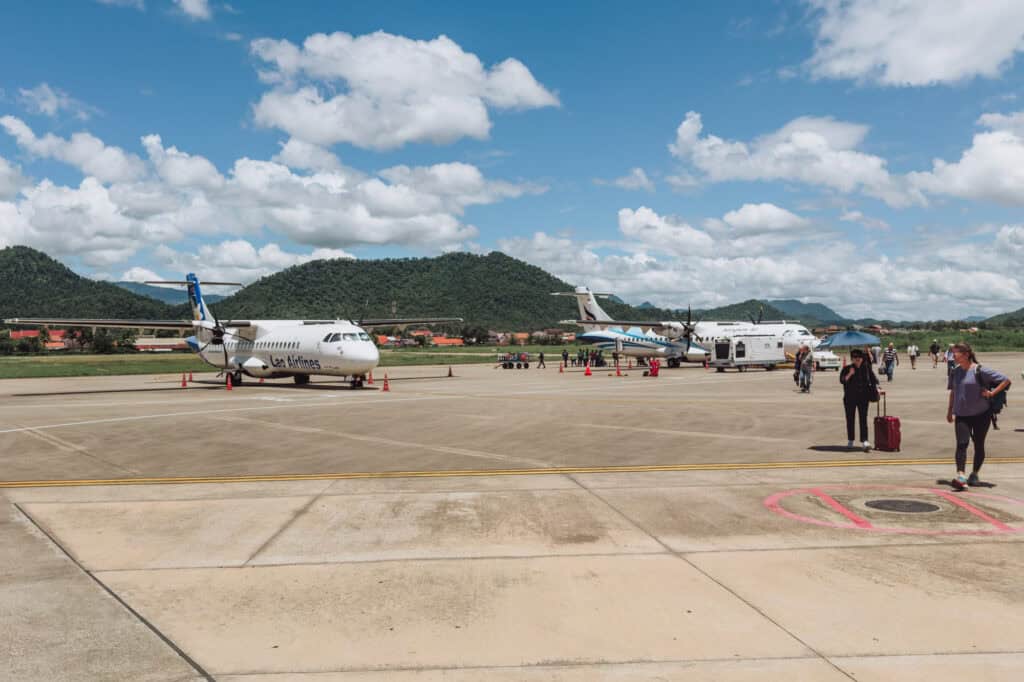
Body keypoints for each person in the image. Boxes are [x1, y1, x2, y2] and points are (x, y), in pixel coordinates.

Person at [946, 342, 1011, 489]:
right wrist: (950, 411)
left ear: (966, 354)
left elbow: (1006, 380)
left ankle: (974, 474)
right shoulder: (955, 372)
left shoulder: (980, 370)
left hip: (981, 414)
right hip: (961, 414)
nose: (953, 356)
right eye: (953, 353)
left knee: (979, 444)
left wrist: (992, 393)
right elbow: (953, 392)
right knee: (962, 444)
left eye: (956, 353)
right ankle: (961, 476)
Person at [840, 348, 878, 452]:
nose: (857, 359)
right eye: (855, 358)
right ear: (851, 359)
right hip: (849, 398)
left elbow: (874, 380)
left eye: (859, 357)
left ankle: (864, 440)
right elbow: (842, 381)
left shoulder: (866, 369)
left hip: (863, 398)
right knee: (850, 419)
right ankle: (850, 439)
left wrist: (877, 388)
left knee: (863, 419)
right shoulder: (847, 368)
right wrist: (850, 374)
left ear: (862, 358)